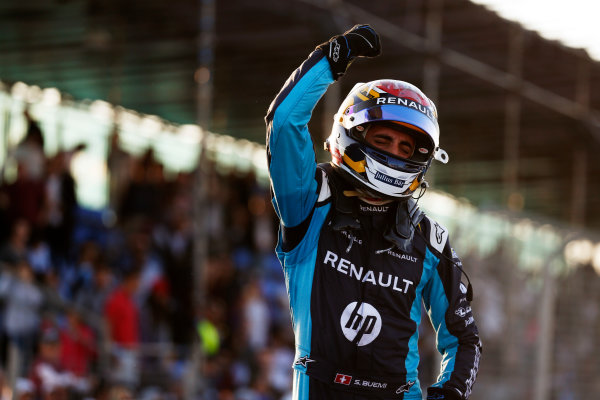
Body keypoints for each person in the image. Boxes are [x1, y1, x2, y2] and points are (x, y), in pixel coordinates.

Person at [265, 25, 482, 400]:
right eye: (382, 140)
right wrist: (332, 57)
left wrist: (449, 393)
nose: (394, 153)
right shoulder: (308, 201)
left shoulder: (429, 239)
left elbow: (464, 339)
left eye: (406, 147)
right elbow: (284, 123)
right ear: (352, 133)